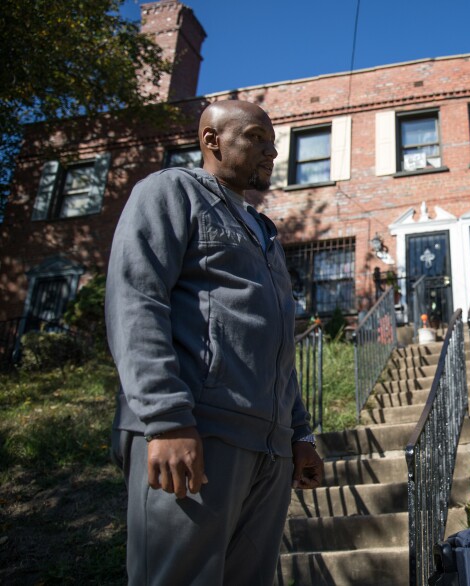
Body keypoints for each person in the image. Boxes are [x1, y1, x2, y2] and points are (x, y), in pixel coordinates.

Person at [106, 100, 323, 586]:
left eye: (273, 144)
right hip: (195, 434)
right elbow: (136, 300)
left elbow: (276, 346)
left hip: (267, 450)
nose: (270, 153)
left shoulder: (265, 232)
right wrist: (165, 420)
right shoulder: (170, 191)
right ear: (212, 140)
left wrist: (299, 434)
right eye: (255, 139)